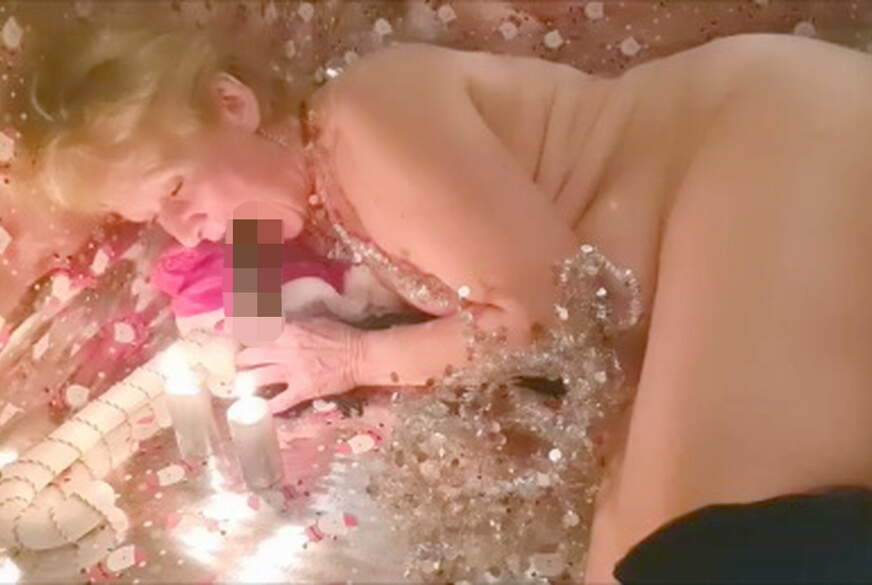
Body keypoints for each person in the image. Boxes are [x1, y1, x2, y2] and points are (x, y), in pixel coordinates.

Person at [23, 20, 872, 583]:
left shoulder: (364, 117)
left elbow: (550, 317)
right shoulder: (289, 197)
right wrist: (227, 252)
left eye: (174, 187)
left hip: (769, 142)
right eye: (151, 216)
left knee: (702, 547)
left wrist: (357, 358)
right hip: (683, 249)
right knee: (637, 555)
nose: (181, 227)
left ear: (232, 103)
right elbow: (245, 324)